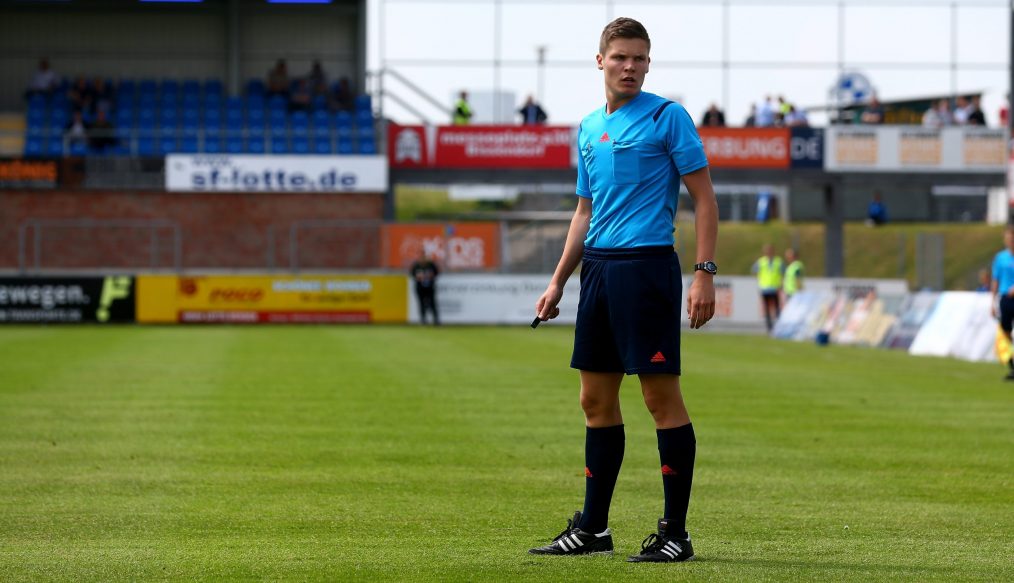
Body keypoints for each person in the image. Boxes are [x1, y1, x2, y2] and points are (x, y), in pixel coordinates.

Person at [529, 17, 718, 564]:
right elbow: (584, 212)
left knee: (660, 398)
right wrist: (558, 280)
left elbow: (705, 199)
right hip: (601, 274)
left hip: (648, 269)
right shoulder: (588, 128)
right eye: (620, 57)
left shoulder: (667, 116)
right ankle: (593, 529)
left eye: (639, 58)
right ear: (601, 61)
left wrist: (704, 271)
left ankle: (675, 533)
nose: (630, 66)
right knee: (594, 399)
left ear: (648, 64)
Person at [990, 226, 1014, 380]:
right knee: (1005, 332)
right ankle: (1012, 365)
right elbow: (995, 279)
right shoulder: (1000, 257)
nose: (1009, 241)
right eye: (1007, 238)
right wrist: (992, 302)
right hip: (1005, 299)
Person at [752, 243, 783, 332]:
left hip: (774, 288)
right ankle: (769, 327)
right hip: (765, 288)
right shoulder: (761, 261)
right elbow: (754, 270)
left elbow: (782, 273)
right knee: (767, 309)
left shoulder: (778, 261)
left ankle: (778, 326)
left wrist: (780, 284)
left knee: (777, 308)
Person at [410, 251, 440, 325]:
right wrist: (418, 277)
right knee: (421, 304)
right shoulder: (416, 265)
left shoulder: (431, 265)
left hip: (430, 287)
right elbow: (412, 274)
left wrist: (431, 275)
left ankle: (436, 320)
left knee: (432, 303)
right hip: (420, 287)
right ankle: (423, 320)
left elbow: (436, 273)